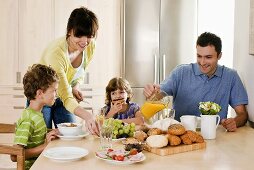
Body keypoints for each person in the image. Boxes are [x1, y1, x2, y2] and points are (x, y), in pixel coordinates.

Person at [143, 32, 248, 132]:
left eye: (208, 57)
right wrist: (152, 92)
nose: (202, 62)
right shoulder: (181, 72)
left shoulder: (231, 76)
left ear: (219, 56)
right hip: (180, 134)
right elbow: (159, 95)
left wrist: (234, 122)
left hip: (214, 135)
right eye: (199, 56)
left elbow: (242, 114)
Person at [39, 7, 99, 134]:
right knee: (42, 140)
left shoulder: (90, 46)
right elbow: (66, 97)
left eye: (89, 36)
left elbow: (80, 72)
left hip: (64, 96)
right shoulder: (56, 54)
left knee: (71, 136)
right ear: (69, 31)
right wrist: (88, 116)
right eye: (79, 35)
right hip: (43, 97)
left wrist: (75, 87)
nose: (84, 41)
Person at [11, 64, 59, 169]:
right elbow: (15, 156)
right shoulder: (28, 119)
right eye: (54, 90)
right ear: (40, 93)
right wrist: (45, 146)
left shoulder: (37, 114)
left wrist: (51, 132)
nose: (57, 95)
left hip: (42, 163)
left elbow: (37, 135)